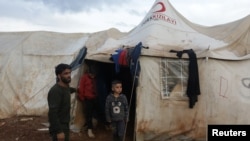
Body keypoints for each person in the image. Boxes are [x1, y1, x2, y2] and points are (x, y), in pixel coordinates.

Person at [47, 63, 76, 141]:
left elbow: (68, 90)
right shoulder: (56, 91)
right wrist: (59, 131)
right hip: (59, 126)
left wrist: (76, 90)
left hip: (65, 124)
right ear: (59, 76)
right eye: (65, 73)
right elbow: (52, 113)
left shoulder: (65, 87)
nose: (69, 75)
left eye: (69, 73)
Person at [78, 70, 99, 138]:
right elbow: (81, 88)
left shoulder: (96, 78)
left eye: (94, 75)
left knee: (98, 111)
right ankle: (89, 130)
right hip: (88, 99)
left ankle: (102, 124)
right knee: (88, 114)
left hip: (95, 98)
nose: (93, 76)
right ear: (89, 73)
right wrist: (82, 98)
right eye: (92, 74)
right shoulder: (84, 78)